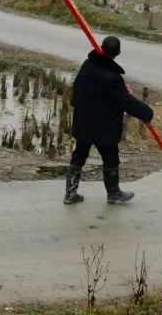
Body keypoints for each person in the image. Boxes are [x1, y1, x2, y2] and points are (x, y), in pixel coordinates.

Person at [64, 36, 154, 205]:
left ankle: (70, 194)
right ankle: (113, 193)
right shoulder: (112, 77)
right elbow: (125, 101)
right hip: (103, 126)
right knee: (111, 158)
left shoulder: (88, 65)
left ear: (101, 47)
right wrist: (146, 113)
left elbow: (77, 88)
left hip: (84, 121)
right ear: (117, 53)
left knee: (79, 156)